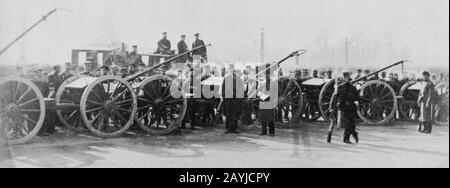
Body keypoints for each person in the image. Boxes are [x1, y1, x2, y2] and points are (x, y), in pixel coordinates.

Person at [335, 72, 360, 144]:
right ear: (344, 78)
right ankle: (346, 138)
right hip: (343, 107)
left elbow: (357, 97)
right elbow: (336, 97)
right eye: (345, 78)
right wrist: (334, 106)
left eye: (348, 78)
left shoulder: (353, 88)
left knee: (352, 124)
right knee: (347, 124)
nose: (347, 80)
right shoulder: (339, 87)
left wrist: (352, 99)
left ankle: (354, 134)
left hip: (351, 107)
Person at [221, 64, 244, 134]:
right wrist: (223, 97)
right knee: (228, 113)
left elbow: (241, 88)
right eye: (229, 68)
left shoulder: (237, 78)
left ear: (233, 69)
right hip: (228, 98)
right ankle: (228, 128)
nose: (230, 70)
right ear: (228, 69)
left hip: (235, 99)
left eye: (231, 68)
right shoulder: (226, 78)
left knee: (234, 113)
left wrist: (239, 98)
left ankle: (234, 128)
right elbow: (223, 88)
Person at [259, 64, 276, 136]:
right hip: (263, 101)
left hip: (270, 101)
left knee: (270, 117)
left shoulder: (272, 81)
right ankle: (264, 131)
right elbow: (258, 90)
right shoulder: (262, 82)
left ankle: (271, 132)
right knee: (263, 117)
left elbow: (273, 91)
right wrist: (260, 94)